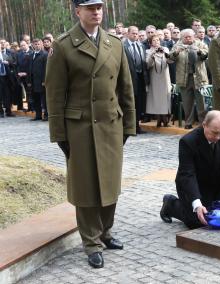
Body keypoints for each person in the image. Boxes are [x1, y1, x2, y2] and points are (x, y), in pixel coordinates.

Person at [45, 0, 135, 269]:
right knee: (86, 187)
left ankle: (105, 232)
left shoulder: (114, 44)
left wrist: (129, 124)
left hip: (110, 124)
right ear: (77, 11)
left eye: (99, 7)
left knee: (109, 182)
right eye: (89, 8)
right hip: (80, 127)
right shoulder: (63, 46)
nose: (96, 12)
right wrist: (60, 134)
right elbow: (55, 94)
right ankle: (91, 242)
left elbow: (125, 88)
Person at [160, 110, 220, 229]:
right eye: (214, 133)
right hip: (193, 184)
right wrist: (197, 204)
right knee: (197, 221)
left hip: (216, 180)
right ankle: (171, 204)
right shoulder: (188, 141)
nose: (218, 137)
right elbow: (188, 175)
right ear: (204, 125)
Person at [169, 29, 208, 129]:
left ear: (193, 36)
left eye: (189, 37)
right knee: (187, 103)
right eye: (185, 37)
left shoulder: (200, 44)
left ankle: (203, 123)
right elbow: (169, 59)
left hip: (199, 78)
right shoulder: (177, 45)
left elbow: (206, 55)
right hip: (184, 78)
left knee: (201, 103)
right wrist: (176, 52)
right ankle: (188, 122)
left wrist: (198, 51)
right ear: (182, 38)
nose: (187, 39)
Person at [124, 26, 150, 134]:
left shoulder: (141, 45)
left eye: (137, 33)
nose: (135, 35)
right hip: (130, 78)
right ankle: (130, 126)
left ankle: (137, 125)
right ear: (128, 34)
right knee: (131, 103)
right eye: (133, 33)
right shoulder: (123, 46)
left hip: (141, 78)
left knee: (140, 103)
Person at [146, 33, 172, 127]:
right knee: (156, 99)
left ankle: (165, 119)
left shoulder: (165, 49)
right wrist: (153, 54)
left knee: (165, 98)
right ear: (150, 43)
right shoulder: (148, 51)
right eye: (154, 40)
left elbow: (170, 61)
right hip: (154, 78)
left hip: (164, 77)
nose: (156, 42)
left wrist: (165, 54)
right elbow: (148, 65)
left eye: (158, 40)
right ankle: (158, 119)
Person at [28, 38, 48, 121]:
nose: (37, 45)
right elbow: (29, 68)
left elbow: (46, 69)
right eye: (35, 44)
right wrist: (28, 81)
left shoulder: (44, 54)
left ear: (41, 45)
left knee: (44, 99)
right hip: (33, 81)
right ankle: (38, 115)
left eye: (38, 44)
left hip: (41, 81)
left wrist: (44, 80)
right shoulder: (31, 54)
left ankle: (46, 115)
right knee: (35, 98)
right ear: (33, 45)